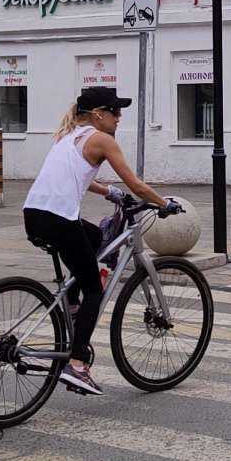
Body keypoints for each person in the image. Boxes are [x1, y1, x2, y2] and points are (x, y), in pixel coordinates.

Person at [22, 85, 173, 395]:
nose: (119, 117)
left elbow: (78, 176)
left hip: (34, 215)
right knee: (95, 288)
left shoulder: (67, 137)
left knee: (93, 237)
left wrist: (109, 192)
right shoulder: (102, 140)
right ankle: (77, 365)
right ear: (98, 115)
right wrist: (164, 203)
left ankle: (73, 306)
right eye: (115, 112)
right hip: (59, 219)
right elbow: (136, 184)